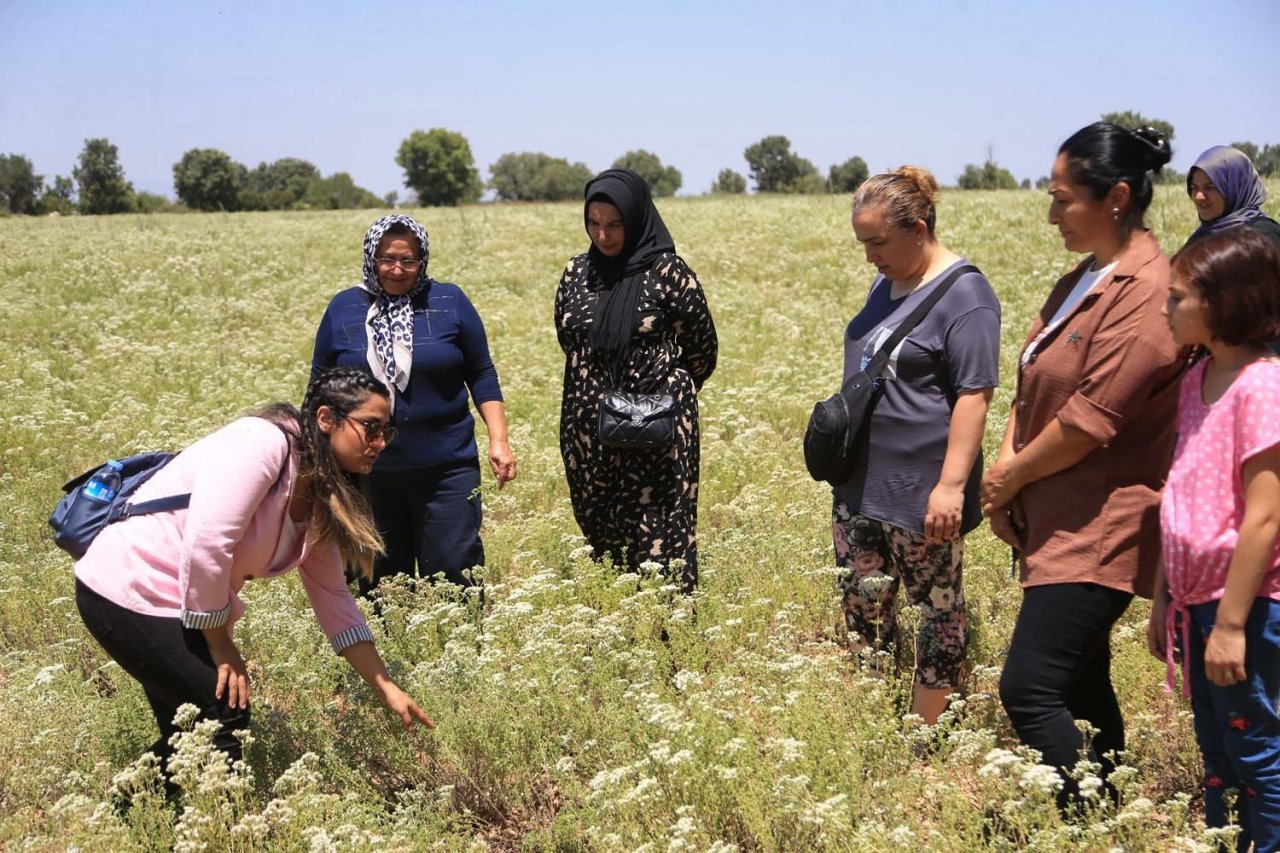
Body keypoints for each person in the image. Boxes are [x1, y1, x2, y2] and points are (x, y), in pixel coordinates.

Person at [74, 367, 433, 786]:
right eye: (370, 429)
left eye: (385, 433)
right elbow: (209, 542)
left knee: (194, 730)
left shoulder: (322, 494)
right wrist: (221, 643)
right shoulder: (263, 442)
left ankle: (141, 818)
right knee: (223, 715)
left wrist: (385, 685)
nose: (378, 445)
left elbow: (334, 597)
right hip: (126, 585)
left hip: (181, 601)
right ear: (325, 419)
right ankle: (146, 815)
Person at [981, 122, 1185, 807]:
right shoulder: (1084, 276)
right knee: (1081, 684)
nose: (1051, 214)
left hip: (1101, 519)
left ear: (1118, 196)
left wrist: (1010, 475)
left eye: (1064, 199)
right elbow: (1033, 376)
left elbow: (1093, 417)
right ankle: (1113, 805)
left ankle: (1090, 817)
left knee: (1029, 685)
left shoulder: (1149, 288)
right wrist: (1008, 464)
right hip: (1054, 506)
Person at [835, 166, 1001, 725]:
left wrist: (952, 486)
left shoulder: (967, 294)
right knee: (863, 603)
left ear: (920, 227)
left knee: (938, 612)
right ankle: (874, 719)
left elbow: (975, 396)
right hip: (860, 485)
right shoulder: (886, 282)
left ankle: (925, 734)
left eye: (878, 242)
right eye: (863, 243)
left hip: (920, 492)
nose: (869, 257)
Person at [1149, 229, 1280, 852]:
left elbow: (1264, 518)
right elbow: (1177, 492)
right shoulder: (1197, 378)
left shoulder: (1262, 386)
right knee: (1218, 746)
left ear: (1225, 303)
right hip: (1195, 602)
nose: (1166, 309)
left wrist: (1229, 626)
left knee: (1256, 745)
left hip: (1246, 608)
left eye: (1177, 298)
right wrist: (1160, 599)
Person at [312, 215, 514, 595]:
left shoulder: (449, 301)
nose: (397, 270)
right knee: (378, 584)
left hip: (447, 468)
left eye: (409, 261)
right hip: (366, 475)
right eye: (387, 259)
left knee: (455, 574)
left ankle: (461, 649)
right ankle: (387, 654)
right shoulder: (344, 308)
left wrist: (498, 441)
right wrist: (317, 459)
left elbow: (482, 373)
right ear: (372, 257)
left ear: (423, 262)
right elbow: (319, 386)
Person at [554, 169, 717, 593]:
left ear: (636, 217)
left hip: (656, 438)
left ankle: (671, 634)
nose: (603, 236)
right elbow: (569, 340)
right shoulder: (577, 273)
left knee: (661, 537)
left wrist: (662, 391)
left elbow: (701, 351)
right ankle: (623, 625)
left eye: (615, 225)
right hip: (588, 435)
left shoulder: (668, 273)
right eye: (595, 224)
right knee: (602, 533)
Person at [1183, 145, 1280, 250]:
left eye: (1210, 187)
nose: (1198, 196)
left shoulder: (1263, 238)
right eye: (1194, 187)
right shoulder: (1198, 239)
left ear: (1235, 188)